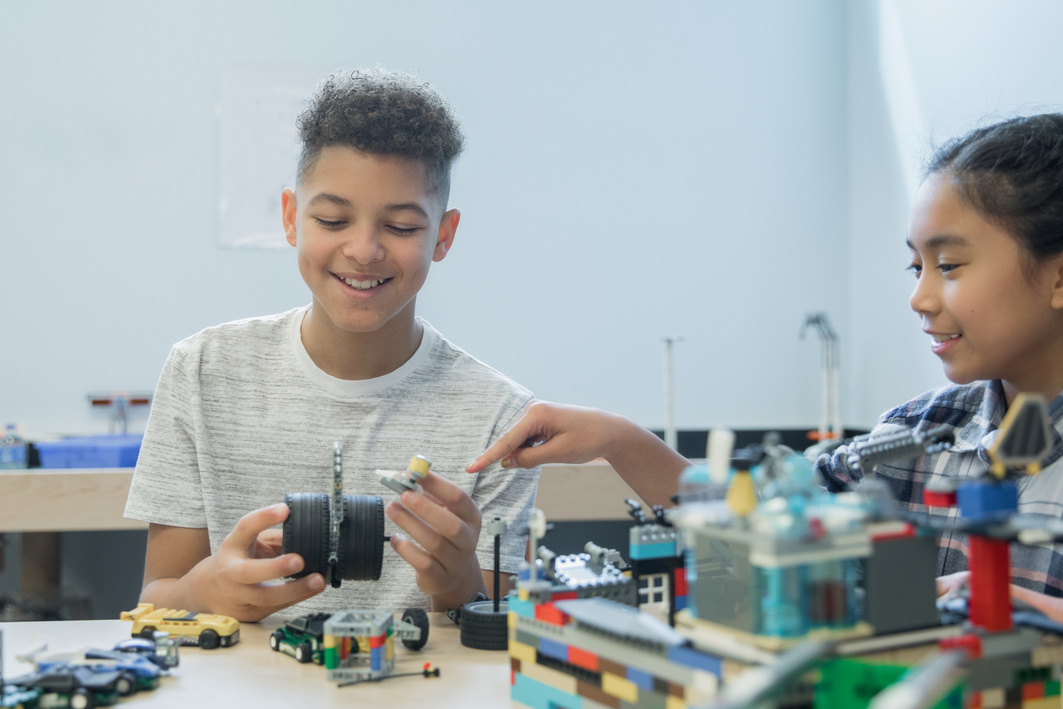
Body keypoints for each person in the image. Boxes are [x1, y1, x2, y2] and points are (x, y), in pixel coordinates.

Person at [471, 114, 1063, 621]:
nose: (921, 298)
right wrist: (618, 439)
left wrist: (1025, 614)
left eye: (951, 265)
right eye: (917, 268)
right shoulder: (918, 436)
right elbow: (759, 517)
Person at [125, 68, 539, 622]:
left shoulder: (501, 421)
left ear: (443, 236)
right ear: (292, 218)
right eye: (333, 218)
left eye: (401, 227)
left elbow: (491, 635)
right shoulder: (202, 372)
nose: (363, 250)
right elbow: (158, 602)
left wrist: (459, 582)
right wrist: (203, 593)